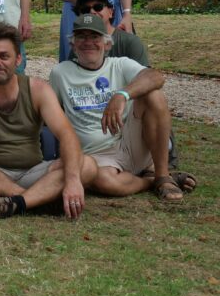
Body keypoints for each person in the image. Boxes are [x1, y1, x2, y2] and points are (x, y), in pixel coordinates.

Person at [0, 22, 98, 219]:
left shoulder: (38, 90)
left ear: (18, 59)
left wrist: (72, 180)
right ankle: (38, 200)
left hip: (35, 172)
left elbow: (66, 134)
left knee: (88, 165)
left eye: (4, 56)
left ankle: (16, 204)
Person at [49, 14, 197, 202]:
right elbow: (50, 112)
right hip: (96, 157)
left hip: (129, 143)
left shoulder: (120, 65)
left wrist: (122, 95)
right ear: (72, 44)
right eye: (81, 37)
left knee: (153, 94)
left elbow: (156, 77)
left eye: (94, 37)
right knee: (103, 181)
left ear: (107, 44)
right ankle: (151, 181)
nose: (88, 42)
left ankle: (162, 175)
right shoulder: (60, 73)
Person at [69, 0, 149, 65]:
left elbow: (145, 73)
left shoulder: (130, 42)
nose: (92, 12)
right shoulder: (79, 45)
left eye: (98, 7)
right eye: (85, 10)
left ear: (110, 12)